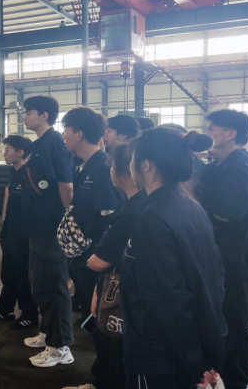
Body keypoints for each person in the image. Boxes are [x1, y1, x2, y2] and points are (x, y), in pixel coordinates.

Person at [121, 128, 227, 389]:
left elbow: (167, 298)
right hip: (193, 341)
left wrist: (192, 361)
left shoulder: (152, 218)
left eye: (132, 160)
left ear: (145, 165)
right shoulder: (191, 206)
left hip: (160, 352)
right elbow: (215, 277)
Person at [198, 109, 248, 389]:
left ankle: (239, 381)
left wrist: (199, 215)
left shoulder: (240, 166)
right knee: (224, 321)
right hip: (226, 256)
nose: (207, 133)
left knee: (235, 324)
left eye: (212, 129)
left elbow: (228, 213)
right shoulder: (224, 163)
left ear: (230, 134)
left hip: (238, 258)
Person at [63, 142, 147, 389]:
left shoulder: (131, 211)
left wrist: (90, 260)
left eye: (112, 167)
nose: (109, 171)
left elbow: (99, 261)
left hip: (119, 290)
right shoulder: (144, 203)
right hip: (127, 289)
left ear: (127, 170)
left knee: (111, 342)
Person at [19, 95, 75, 368]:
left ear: (44, 115)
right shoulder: (39, 144)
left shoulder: (53, 143)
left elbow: (66, 185)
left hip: (52, 228)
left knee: (53, 286)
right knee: (40, 285)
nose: (24, 116)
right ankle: (47, 333)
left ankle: (60, 347)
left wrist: (67, 221)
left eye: (29, 111)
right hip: (38, 227)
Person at [60, 107, 124, 341]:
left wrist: (98, 254)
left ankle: (104, 360)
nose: (63, 135)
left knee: (99, 313)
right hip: (84, 255)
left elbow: (112, 216)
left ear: (79, 134)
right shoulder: (86, 165)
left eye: (65, 130)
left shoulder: (102, 167)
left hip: (95, 257)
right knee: (90, 309)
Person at [0, 134, 38, 329]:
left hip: (23, 234)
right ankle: (4, 310)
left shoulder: (29, 174)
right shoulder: (14, 173)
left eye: (7, 150)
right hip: (10, 231)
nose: (4, 153)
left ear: (20, 152)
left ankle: (29, 314)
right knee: (9, 273)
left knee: (23, 274)